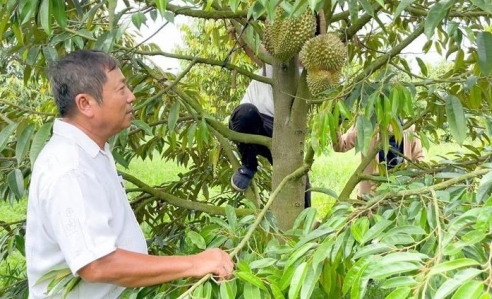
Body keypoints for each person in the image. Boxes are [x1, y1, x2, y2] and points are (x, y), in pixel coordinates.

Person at [25, 50, 234, 299]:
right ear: (86, 104)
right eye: (121, 89)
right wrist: (194, 263)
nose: (131, 97)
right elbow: (97, 264)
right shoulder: (70, 169)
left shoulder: (91, 152)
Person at [228, 64, 312, 208]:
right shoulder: (271, 61)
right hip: (249, 120)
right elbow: (255, 48)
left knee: (299, 176)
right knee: (246, 113)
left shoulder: (307, 76)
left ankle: (306, 218)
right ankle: (248, 166)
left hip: (280, 129)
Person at [333, 119, 425, 198]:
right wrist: (335, 125)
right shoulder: (366, 124)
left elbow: (419, 158)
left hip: (400, 192)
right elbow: (341, 146)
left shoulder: (409, 127)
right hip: (370, 194)